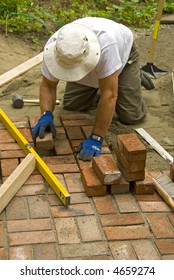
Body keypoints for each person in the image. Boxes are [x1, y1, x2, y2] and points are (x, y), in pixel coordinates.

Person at [32, 17, 147, 161]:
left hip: (123, 56)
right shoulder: (56, 46)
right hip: (94, 67)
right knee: (73, 105)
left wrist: (96, 137)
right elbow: (48, 85)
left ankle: (133, 76)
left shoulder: (107, 45)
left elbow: (110, 95)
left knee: (131, 116)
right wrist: (46, 114)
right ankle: (105, 80)